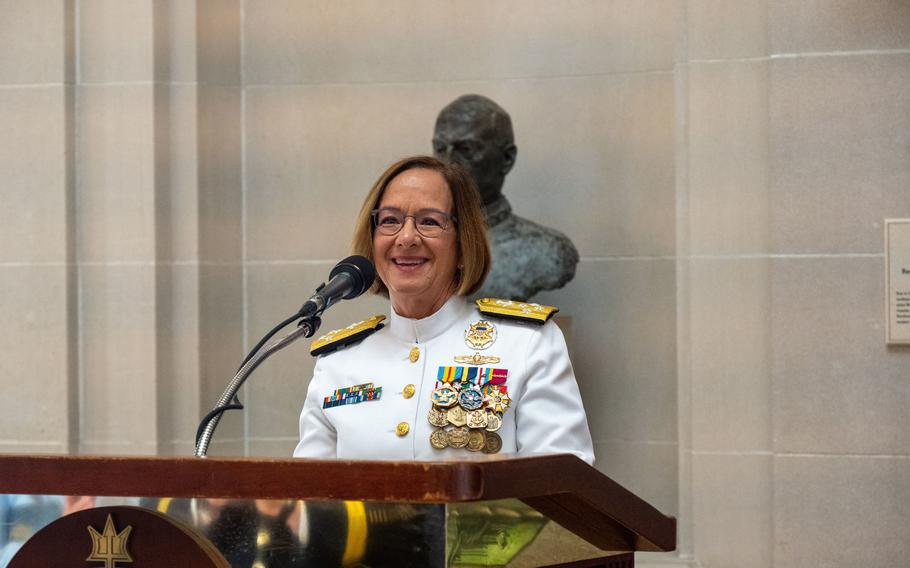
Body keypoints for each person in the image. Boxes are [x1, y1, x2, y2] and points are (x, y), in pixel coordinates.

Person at [294, 155, 593, 465]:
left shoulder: (528, 343)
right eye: (390, 221)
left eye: (429, 221)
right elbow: (309, 493)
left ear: (463, 245)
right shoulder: (338, 361)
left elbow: (562, 485)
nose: (406, 237)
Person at [432, 94, 579, 301]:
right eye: (440, 148)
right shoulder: (413, 244)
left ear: (507, 159)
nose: (447, 163)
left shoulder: (547, 248)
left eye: (466, 149)